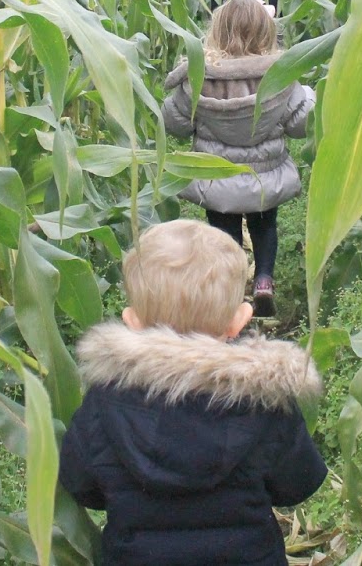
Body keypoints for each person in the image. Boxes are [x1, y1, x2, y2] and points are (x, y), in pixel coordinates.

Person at [58, 220, 327, 566]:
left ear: (132, 320)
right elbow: (297, 484)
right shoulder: (265, 402)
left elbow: (80, 484)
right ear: (239, 320)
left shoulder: (105, 400)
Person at [160, 0, 314, 316]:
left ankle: (228, 296)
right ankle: (263, 282)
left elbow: (175, 123)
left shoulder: (201, 77)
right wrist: (312, 97)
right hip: (263, 179)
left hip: (216, 178)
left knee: (223, 233)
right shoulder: (280, 75)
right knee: (264, 226)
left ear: (217, 32)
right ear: (266, 33)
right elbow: (301, 123)